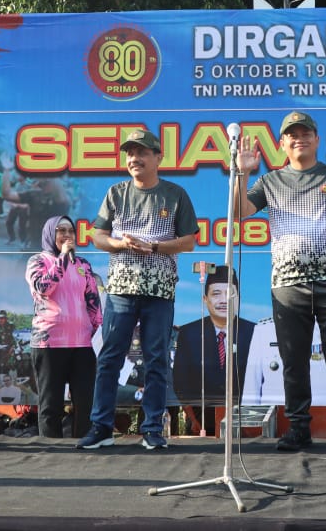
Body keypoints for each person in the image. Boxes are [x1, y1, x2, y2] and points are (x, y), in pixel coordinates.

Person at [234, 111, 326, 454]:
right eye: (292, 134)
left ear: (317, 140)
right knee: (293, 359)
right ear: (282, 143)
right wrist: (242, 174)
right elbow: (239, 211)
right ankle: (298, 427)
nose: (299, 138)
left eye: (306, 133)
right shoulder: (270, 181)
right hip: (288, 285)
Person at [78, 129, 197, 451]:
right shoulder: (116, 193)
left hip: (159, 291)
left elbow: (189, 241)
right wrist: (119, 243)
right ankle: (101, 427)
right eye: (130, 153)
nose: (134, 159)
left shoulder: (175, 194)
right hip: (120, 290)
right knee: (110, 359)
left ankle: (152, 429)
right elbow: (98, 237)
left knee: (156, 360)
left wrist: (156, 246)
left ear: (158, 157)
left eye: (142, 153)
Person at [27, 215, 101, 439]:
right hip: (49, 344)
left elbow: (93, 302)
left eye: (70, 231)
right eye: (61, 230)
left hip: (81, 344)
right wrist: (62, 259)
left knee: (85, 404)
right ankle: (51, 452)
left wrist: (92, 329)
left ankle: (85, 446)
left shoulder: (83, 265)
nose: (67, 235)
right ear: (51, 233)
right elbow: (43, 288)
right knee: (51, 404)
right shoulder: (37, 261)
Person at [173, 265, 255, 436]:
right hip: (201, 423)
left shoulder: (255, 332)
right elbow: (180, 383)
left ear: (238, 298)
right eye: (216, 294)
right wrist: (194, 420)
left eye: (230, 294)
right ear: (205, 299)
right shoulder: (189, 333)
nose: (224, 300)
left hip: (246, 424)